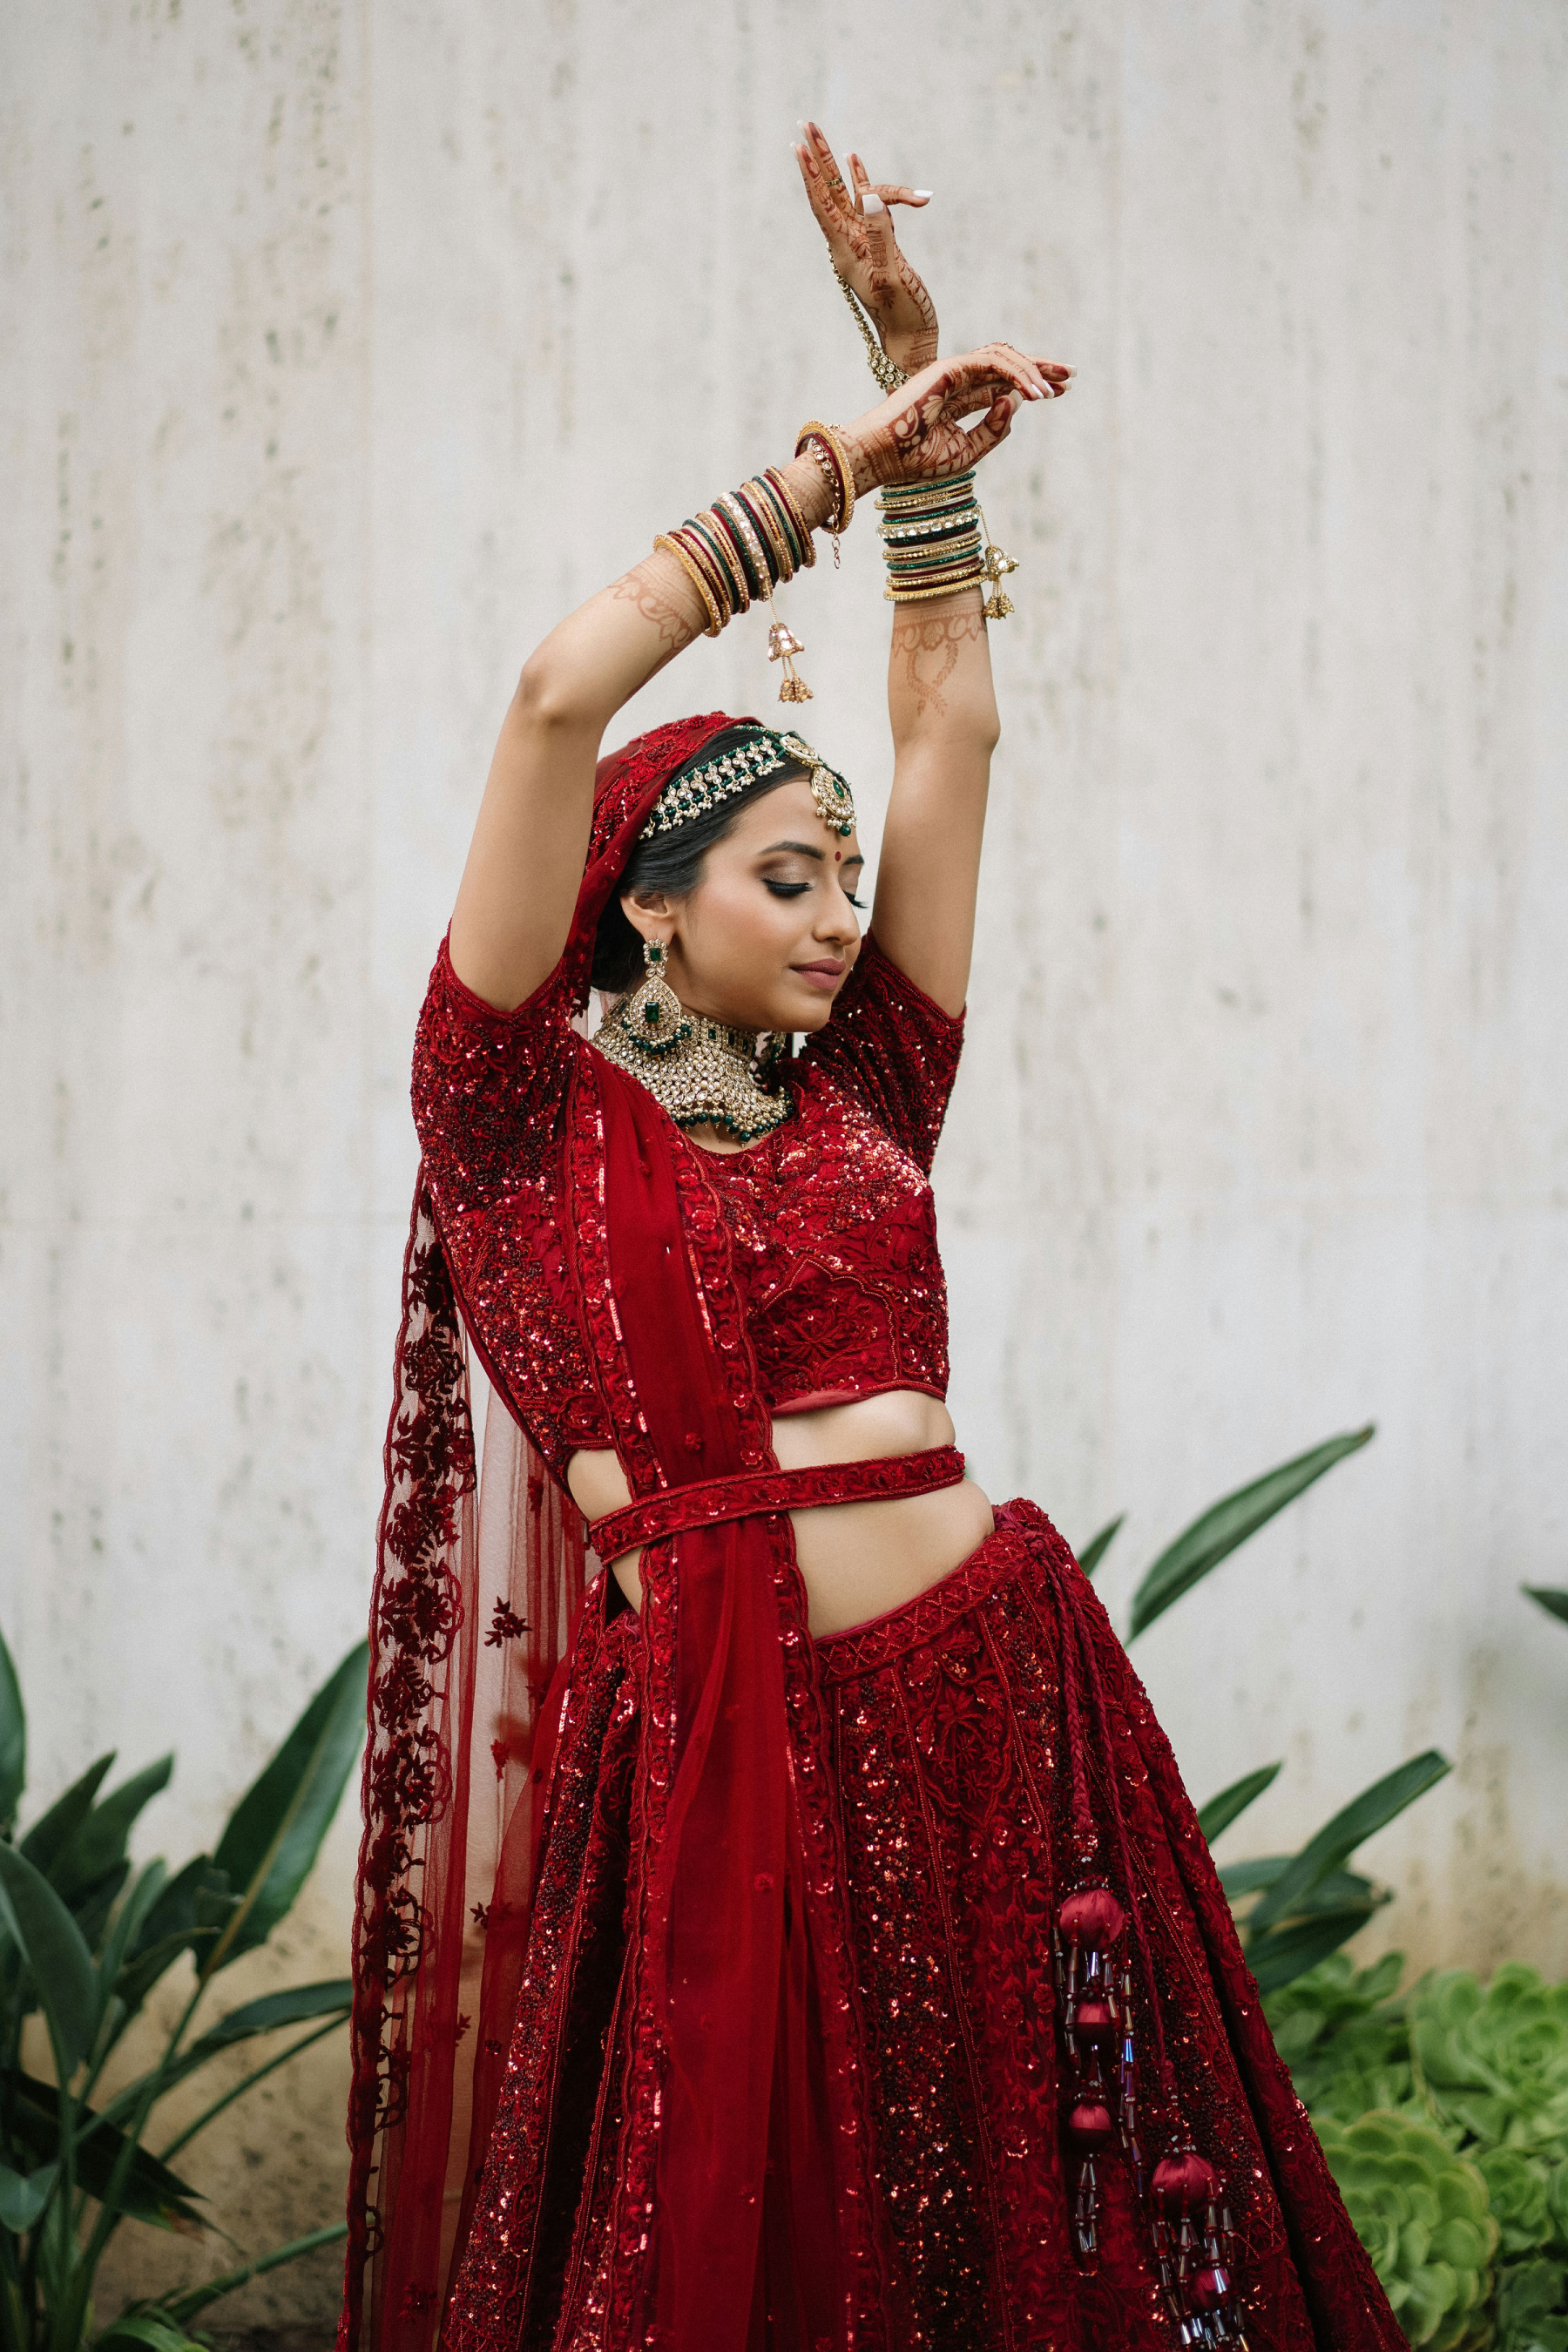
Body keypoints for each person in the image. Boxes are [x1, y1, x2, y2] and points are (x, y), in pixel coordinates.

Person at [340, 127, 1402, 2352]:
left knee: (1052, 2235)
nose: (844, 919)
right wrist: (821, 472)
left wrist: (930, 429)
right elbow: (555, 696)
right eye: (788, 880)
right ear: (648, 904)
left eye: (849, 878)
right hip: (721, 1761)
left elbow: (949, 714)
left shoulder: (874, 1087)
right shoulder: (516, 1122)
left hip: (993, 1712)